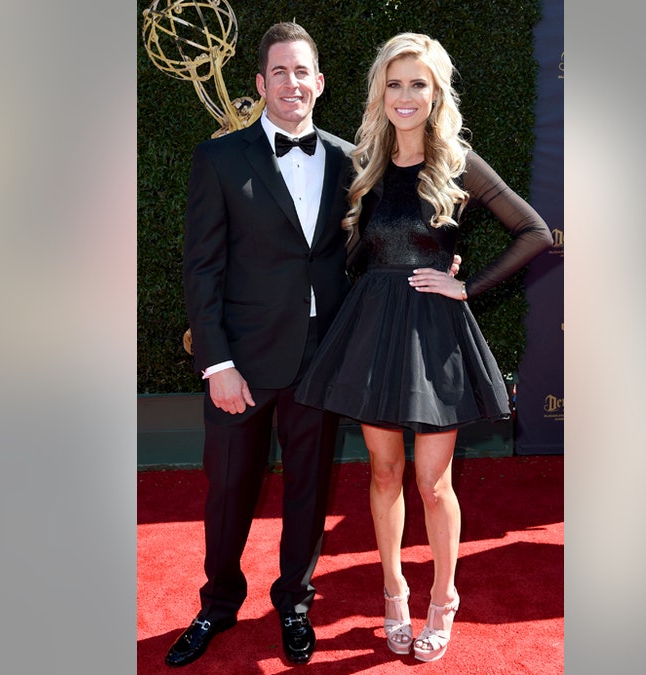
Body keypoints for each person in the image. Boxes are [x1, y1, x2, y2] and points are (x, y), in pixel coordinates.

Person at [167, 22, 460, 668]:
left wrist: (448, 259)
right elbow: (201, 268)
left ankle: (294, 604)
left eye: (303, 72)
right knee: (229, 491)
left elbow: (381, 243)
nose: (291, 83)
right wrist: (216, 360)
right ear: (260, 83)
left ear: (320, 83)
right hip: (240, 363)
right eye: (279, 72)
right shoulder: (218, 160)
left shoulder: (352, 161)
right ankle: (217, 605)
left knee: (309, 491)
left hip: (322, 358)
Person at [294, 33, 553, 663]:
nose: (405, 96)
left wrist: (465, 285)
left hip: (435, 335)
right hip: (376, 332)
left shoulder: (457, 161)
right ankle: (393, 590)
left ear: (436, 95)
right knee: (384, 472)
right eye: (395, 83)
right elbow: (347, 255)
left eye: (419, 84)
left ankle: (444, 597)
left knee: (433, 483)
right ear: (379, 92)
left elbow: (535, 231)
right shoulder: (366, 167)